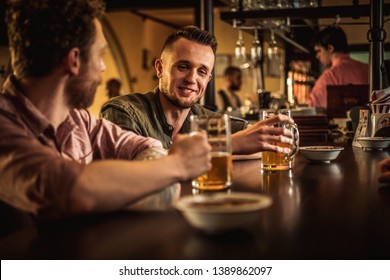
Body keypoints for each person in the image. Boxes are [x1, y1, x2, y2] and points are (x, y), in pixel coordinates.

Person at [0, 0, 211, 224]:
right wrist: (178, 165)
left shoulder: (78, 119)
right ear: (74, 61)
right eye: (100, 54)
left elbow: (146, 146)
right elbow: (76, 191)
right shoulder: (5, 127)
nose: (102, 66)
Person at [100, 26, 294, 155]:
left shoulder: (210, 121)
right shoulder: (122, 111)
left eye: (202, 71)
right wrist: (227, 144)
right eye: (183, 67)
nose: (192, 79)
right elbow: (134, 172)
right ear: (160, 68)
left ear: (208, 79)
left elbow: (258, 137)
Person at [306, 26, 368, 109]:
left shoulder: (330, 76)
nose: (317, 56)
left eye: (319, 51)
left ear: (330, 48)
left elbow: (312, 106)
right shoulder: (367, 69)